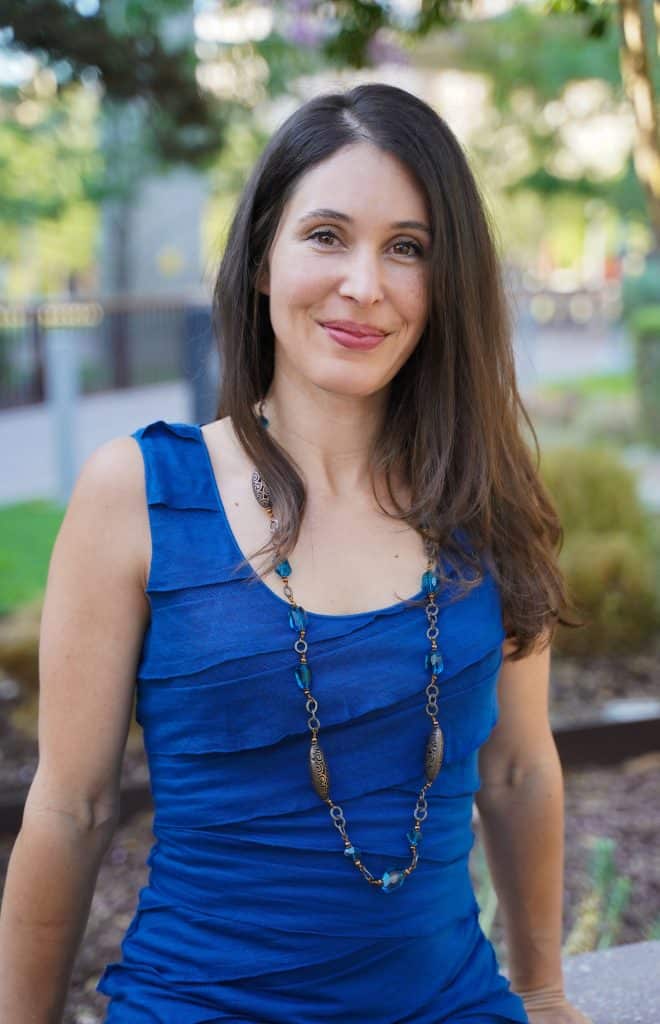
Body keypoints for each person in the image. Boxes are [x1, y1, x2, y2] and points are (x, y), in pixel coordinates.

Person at [0, 83, 593, 1024]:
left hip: (452, 1007)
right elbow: (70, 809)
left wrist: (548, 993)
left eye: (408, 248)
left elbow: (519, 770)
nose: (365, 283)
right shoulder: (138, 493)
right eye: (327, 235)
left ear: (448, 285)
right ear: (265, 258)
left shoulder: (489, 498)